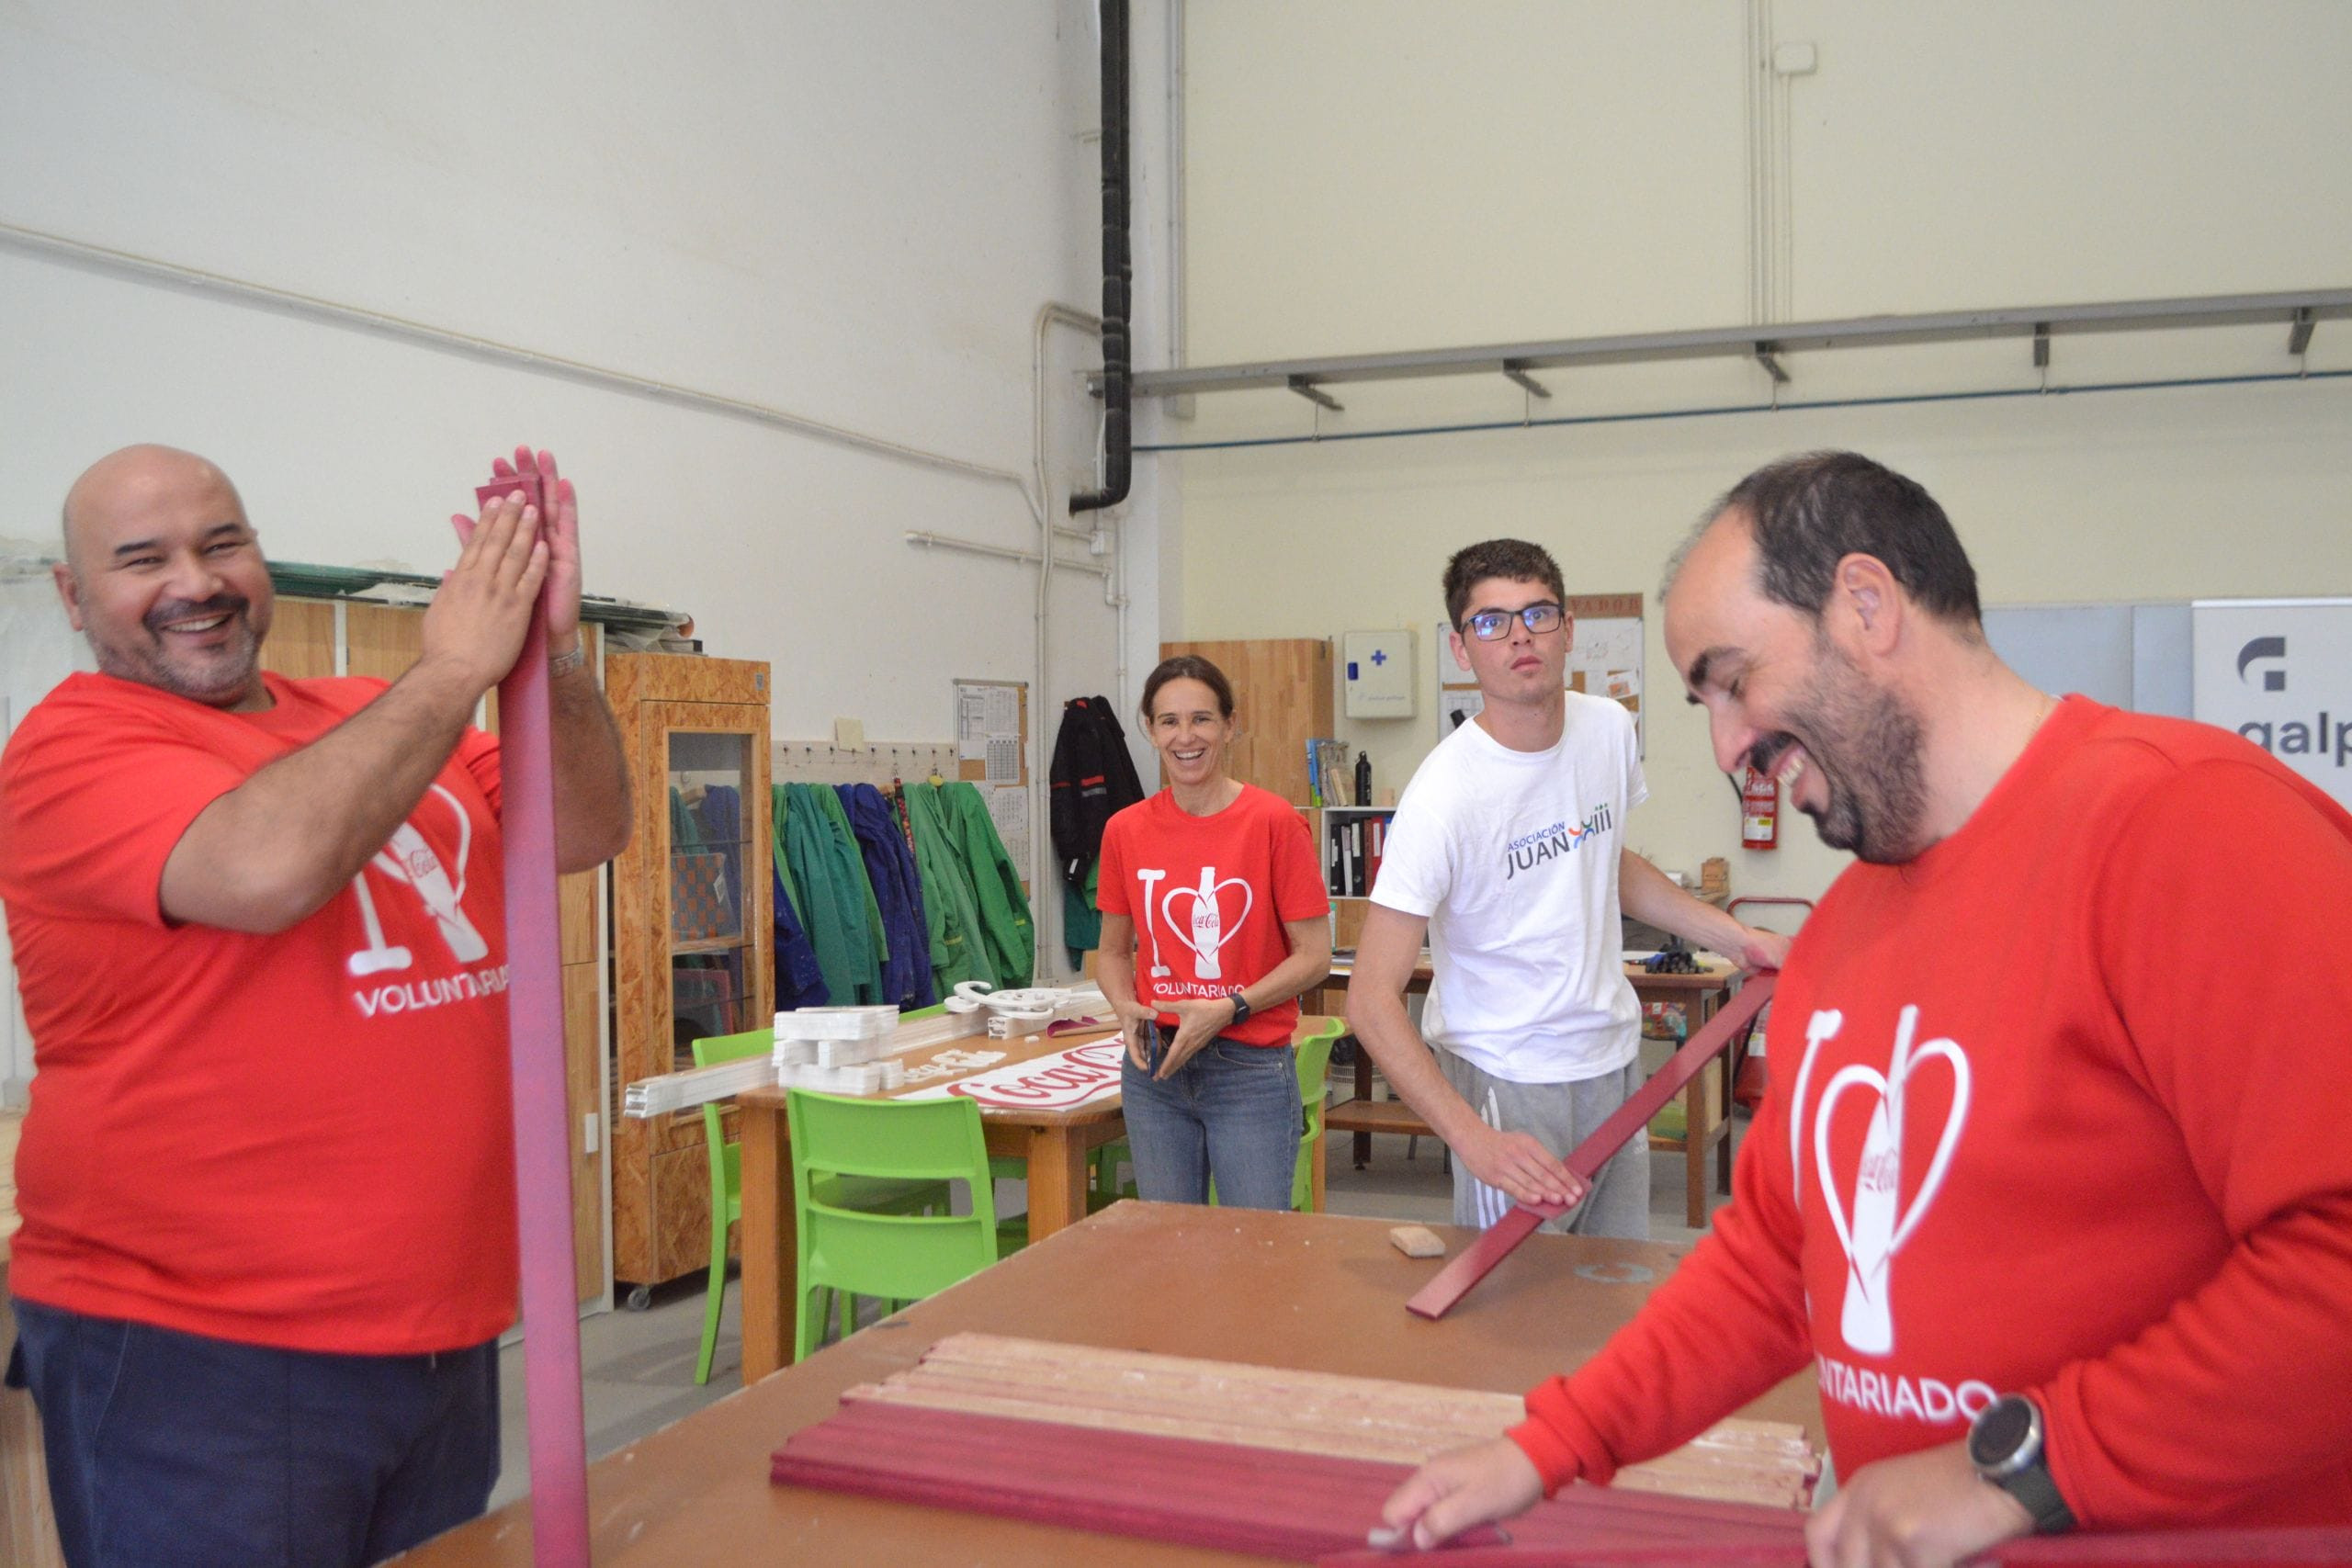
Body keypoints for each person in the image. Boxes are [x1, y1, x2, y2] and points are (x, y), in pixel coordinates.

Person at [1380, 452, 2352, 1565]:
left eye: (1732, 679)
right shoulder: (1846, 933)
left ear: (1865, 605)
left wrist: (2028, 1470)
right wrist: (1549, 1445)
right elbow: (1769, 1266)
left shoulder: (2190, 831)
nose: (1728, 743)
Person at [0, 444, 632, 1568]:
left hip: (435, 1334)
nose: (194, 581)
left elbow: (579, 829)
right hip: (201, 1356)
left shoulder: (357, 711)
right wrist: (448, 673)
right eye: (142, 559)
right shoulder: (70, 750)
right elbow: (267, 870)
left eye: (222, 542)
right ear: (72, 595)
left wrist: (551, 660)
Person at [1350, 538, 1791, 1239]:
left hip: (1612, 1061)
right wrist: (1473, 1139)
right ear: (1463, 651)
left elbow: (1604, 858)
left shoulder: (1608, 729)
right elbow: (1369, 999)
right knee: (1513, 1320)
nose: (1520, 634)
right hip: (1507, 1075)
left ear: (1568, 628)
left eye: (1538, 612)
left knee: (1609, 1290)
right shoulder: (1443, 795)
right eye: (1491, 621)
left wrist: (1734, 937)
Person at [1093, 655, 1332, 1210]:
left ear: (1230, 725)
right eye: (1169, 721)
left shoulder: (1274, 823)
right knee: (1170, 1251)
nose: (1186, 736)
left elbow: (1315, 956)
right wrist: (1124, 1005)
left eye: (1201, 719)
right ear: (1150, 730)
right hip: (1156, 1063)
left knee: (1252, 1252)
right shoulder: (1124, 830)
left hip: (1247, 1068)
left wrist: (1230, 1007)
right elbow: (1110, 952)